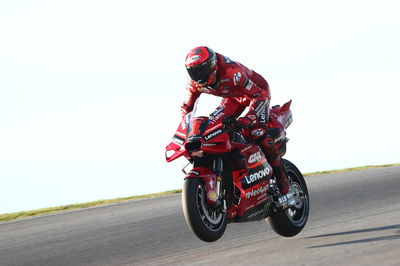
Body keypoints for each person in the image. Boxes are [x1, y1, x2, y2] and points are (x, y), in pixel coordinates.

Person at [180, 46, 291, 195]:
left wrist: (249, 117)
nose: (199, 75)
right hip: (233, 97)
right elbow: (187, 108)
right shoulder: (194, 83)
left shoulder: (232, 72)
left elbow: (258, 95)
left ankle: (281, 176)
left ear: (213, 64)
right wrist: (185, 129)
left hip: (257, 93)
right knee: (212, 128)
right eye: (194, 71)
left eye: (202, 69)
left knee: (257, 131)